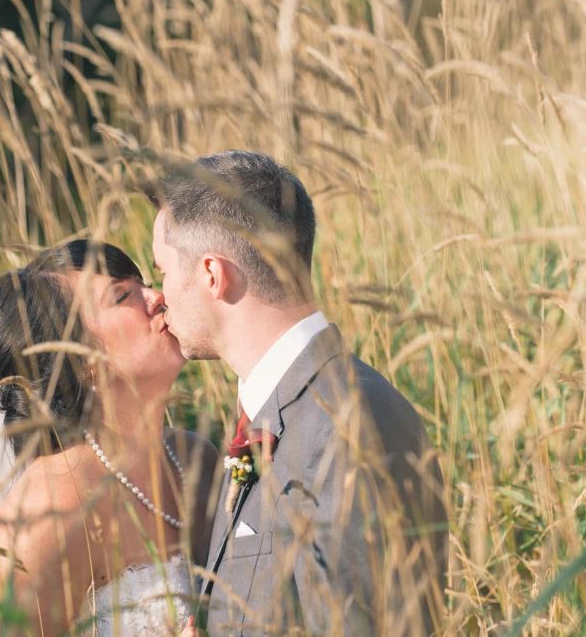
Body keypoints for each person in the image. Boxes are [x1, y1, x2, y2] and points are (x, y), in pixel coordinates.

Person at [149, 150, 449, 635]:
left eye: (160, 268)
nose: (158, 294)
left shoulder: (347, 427)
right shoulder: (278, 407)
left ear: (211, 275)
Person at [0, 240, 220, 636]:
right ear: (81, 360)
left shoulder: (197, 460)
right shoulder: (50, 510)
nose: (157, 296)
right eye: (123, 296)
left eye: (144, 282)